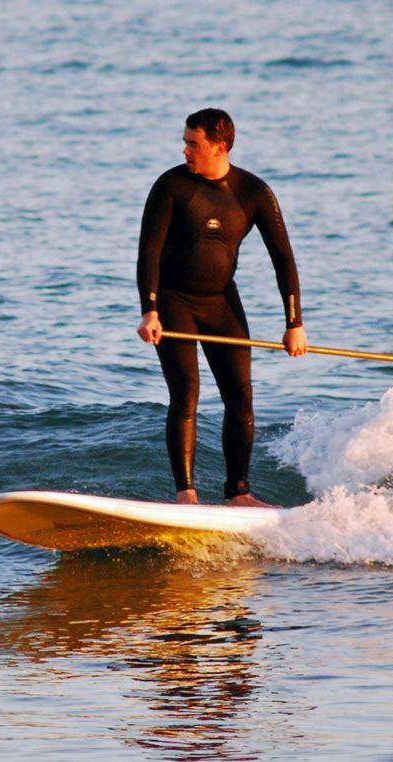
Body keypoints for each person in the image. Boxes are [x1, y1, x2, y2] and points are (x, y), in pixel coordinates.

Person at [136, 108, 308, 506]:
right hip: (174, 301)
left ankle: (239, 493)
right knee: (186, 393)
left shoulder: (253, 192)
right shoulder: (171, 186)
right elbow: (149, 252)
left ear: (220, 146)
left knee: (240, 398)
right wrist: (150, 310)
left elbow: (283, 258)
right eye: (185, 142)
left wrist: (294, 323)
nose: (185, 150)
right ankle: (186, 494)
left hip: (221, 302)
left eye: (193, 144)